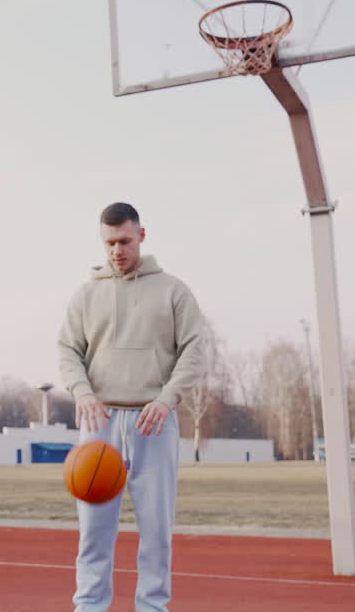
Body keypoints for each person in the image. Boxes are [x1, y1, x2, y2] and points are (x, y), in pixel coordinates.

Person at [58, 202, 204, 612]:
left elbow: (194, 350)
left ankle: (152, 607)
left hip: (153, 421)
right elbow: (68, 349)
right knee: (93, 532)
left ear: (141, 235)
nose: (116, 250)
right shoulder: (86, 294)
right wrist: (82, 392)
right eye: (109, 243)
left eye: (124, 241)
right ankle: (89, 606)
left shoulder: (174, 290)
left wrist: (167, 398)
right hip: (98, 420)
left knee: (156, 531)